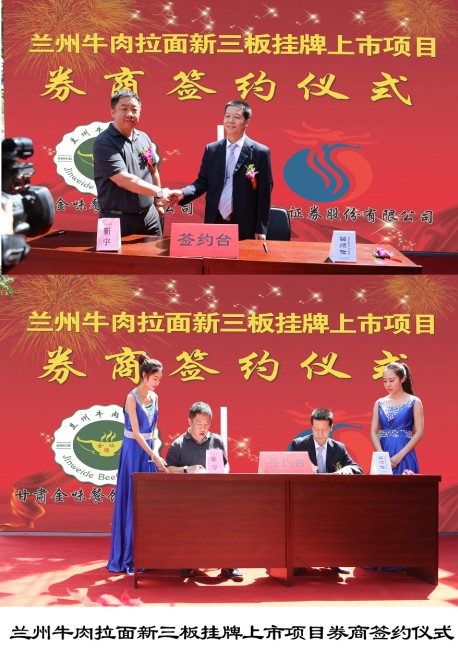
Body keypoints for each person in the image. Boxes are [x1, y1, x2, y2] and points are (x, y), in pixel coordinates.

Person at [169, 100, 273, 240]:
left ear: (247, 121)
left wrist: (260, 228)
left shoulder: (260, 152)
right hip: (215, 219)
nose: (230, 121)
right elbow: (202, 182)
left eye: (236, 117)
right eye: (227, 116)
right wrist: (183, 193)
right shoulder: (212, 149)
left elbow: (264, 193)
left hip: (245, 223)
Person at [166, 401, 243, 582]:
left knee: (231, 517)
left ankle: (229, 564)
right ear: (190, 422)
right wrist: (187, 469)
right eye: (199, 423)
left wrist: (223, 475)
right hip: (188, 499)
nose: (203, 428)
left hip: (216, 495)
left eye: (206, 424)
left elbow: (225, 464)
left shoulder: (217, 440)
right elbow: (168, 469)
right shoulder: (178, 444)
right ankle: (188, 561)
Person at [108, 354, 168, 575]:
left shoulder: (155, 397)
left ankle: (146, 554)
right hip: (132, 452)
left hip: (148, 452)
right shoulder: (131, 398)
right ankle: (128, 558)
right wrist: (155, 455)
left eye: (160, 379)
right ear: (144, 375)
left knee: (146, 503)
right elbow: (135, 432)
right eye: (154, 378)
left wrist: (155, 453)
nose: (157, 383)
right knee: (132, 500)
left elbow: (153, 431)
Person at [289, 407, 362, 576]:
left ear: (331, 427)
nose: (320, 434)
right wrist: (305, 469)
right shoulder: (299, 445)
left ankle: (333, 559)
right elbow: (288, 470)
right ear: (311, 427)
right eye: (316, 429)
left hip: (330, 499)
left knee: (339, 516)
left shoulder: (339, 448)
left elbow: (357, 468)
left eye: (324, 430)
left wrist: (348, 469)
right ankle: (298, 561)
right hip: (304, 498)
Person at [93, 89, 172, 236]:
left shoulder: (144, 138)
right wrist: (160, 192)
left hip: (150, 217)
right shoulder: (104, 142)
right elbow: (123, 179)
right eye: (124, 109)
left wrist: (158, 203)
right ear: (113, 112)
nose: (130, 114)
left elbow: (153, 170)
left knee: (156, 251)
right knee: (113, 253)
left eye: (134, 109)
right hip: (115, 219)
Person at [371, 362, 424, 474]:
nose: (388, 385)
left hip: (404, 451)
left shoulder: (414, 402)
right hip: (384, 451)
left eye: (391, 381)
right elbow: (373, 432)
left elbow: (419, 432)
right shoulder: (379, 403)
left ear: (402, 379)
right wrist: (381, 455)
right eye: (385, 381)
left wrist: (400, 455)